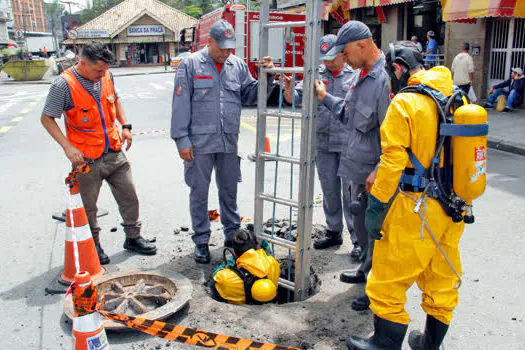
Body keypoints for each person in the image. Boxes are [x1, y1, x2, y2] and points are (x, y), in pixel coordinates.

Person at [346, 42, 471, 350]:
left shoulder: (405, 103)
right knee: (441, 278)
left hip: (415, 209)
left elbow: (392, 162)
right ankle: (429, 343)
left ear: (398, 69)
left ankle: (383, 345)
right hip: (452, 207)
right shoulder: (457, 98)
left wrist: (376, 208)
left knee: (387, 278)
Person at [41, 42, 157, 265]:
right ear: (82, 63)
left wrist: (126, 126)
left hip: (114, 151)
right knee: (89, 206)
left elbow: (116, 99)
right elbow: (47, 118)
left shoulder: (106, 76)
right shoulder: (63, 85)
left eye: (104, 71)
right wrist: (68, 147)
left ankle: (133, 237)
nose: (102, 75)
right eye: (97, 71)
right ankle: (93, 245)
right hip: (85, 159)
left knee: (129, 196)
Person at [171, 20, 275, 264]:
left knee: (229, 191)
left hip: (228, 140)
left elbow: (250, 95)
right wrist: (182, 140)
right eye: (222, 48)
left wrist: (266, 76)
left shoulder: (236, 65)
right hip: (198, 143)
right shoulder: (190, 64)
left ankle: (232, 236)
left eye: (230, 48)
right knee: (199, 193)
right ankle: (201, 241)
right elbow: (180, 104)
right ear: (209, 42)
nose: (227, 52)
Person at [314, 21, 391, 311]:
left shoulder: (384, 79)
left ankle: (375, 289)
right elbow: (348, 114)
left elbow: (392, 134)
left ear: (362, 44)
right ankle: (364, 271)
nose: (343, 59)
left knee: (377, 230)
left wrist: (380, 170)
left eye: (345, 52)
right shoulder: (363, 75)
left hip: (374, 173)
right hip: (357, 169)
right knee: (362, 224)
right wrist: (324, 97)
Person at [281, 34, 362, 258]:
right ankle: (334, 231)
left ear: (342, 54)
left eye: (331, 57)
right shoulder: (315, 75)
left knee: (351, 193)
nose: (327, 62)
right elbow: (295, 97)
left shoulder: (355, 75)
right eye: (323, 58)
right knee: (329, 190)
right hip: (323, 142)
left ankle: (358, 238)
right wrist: (288, 90)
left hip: (347, 144)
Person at [210, 228, 280, 304]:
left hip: (240, 311)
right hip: (272, 309)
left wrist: (227, 266)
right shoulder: (273, 263)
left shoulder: (224, 278)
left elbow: (213, 284)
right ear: (256, 247)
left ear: (235, 253)